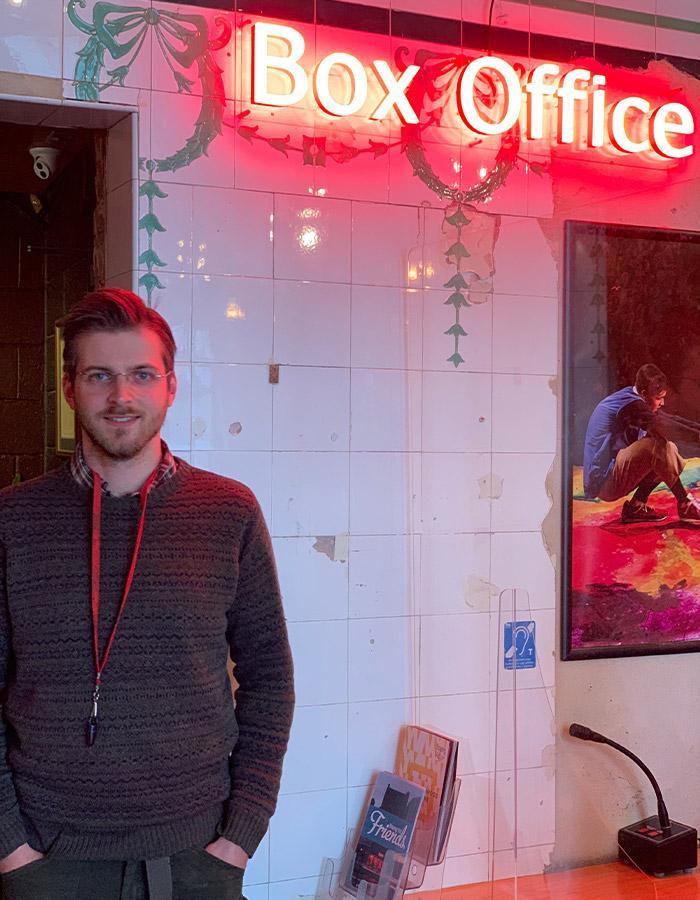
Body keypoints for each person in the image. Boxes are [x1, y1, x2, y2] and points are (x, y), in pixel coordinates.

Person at [0, 289, 294, 899]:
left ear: (171, 386)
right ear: (68, 387)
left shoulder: (228, 512)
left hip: (196, 856)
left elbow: (270, 679)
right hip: (47, 859)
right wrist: (11, 848)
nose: (121, 396)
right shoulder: (13, 520)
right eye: (100, 375)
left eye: (141, 374)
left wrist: (239, 836)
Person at [583, 363, 700, 524]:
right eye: (659, 398)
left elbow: (670, 419)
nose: (662, 403)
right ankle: (684, 503)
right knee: (657, 446)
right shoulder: (631, 405)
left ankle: (636, 506)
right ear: (644, 394)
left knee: (669, 449)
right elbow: (664, 426)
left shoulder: (636, 400)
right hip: (604, 482)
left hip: (613, 474)